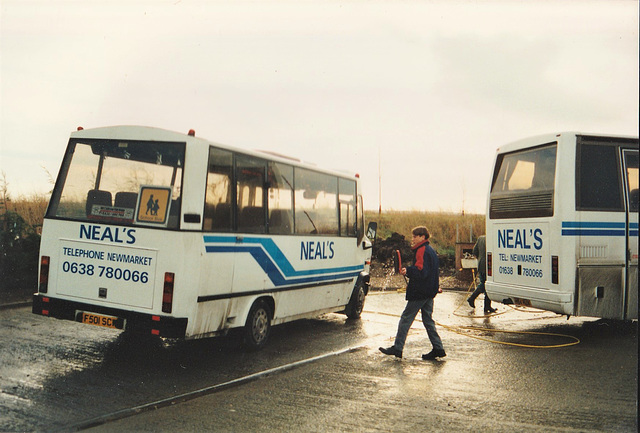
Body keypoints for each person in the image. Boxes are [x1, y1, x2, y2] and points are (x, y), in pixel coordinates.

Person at [379, 226, 446, 360]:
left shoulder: (422, 250)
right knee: (428, 321)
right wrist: (434, 287)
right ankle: (438, 348)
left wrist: (408, 271)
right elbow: (433, 272)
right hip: (429, 292)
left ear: (422, 237)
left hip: (420, 292)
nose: (413, 239)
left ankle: (397, 348)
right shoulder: (431, 250)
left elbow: (421, 271)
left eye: (415, 236)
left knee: (405, 319)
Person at [467, 235, 496, 313]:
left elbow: (474, 251)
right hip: (488, 265)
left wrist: (480, 259)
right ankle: (472, 299)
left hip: (481, 264)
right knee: (485, 284)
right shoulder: (493, 237)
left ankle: (486, 306)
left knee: (485, 284)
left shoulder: (480, 238)